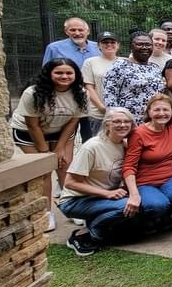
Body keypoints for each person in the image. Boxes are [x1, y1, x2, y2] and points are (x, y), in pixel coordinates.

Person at [11, 58, 89, 232]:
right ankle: (46, 212)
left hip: (61, 130)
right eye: (59, 72)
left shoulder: (81, 92)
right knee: (44, 171)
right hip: (30, 133)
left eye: (69, 73)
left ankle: (72, 207)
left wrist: (60, 148)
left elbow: (73, 121)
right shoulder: (32, 93)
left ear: (76, 75)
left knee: (65, 166)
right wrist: (45, 152)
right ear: (49, 73)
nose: (64, 76)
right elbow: (32, 125)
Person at [58, 108, 135, 256]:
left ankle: (97, 225)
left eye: (127, 122)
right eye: (117, 121)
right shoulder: (92, 147)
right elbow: (70, 183)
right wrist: (107, 193)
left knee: (138, 203)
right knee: (127, 206)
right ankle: (86, 234)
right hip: (75, 200)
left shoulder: (124, 145)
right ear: (106, 125)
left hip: (99, 197)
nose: (122, 125)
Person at [122, 94, 172, 230]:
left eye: (166, 109)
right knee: (157, 204)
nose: (162, 113)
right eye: (157, 110)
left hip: (169, 177)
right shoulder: (138, 133)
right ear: (149, 112)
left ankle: (163, 217)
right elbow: (128, 166)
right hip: (145, 182)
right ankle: (147, 219)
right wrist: (134, 194)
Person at [103, 32, 167, 122]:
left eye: (148, 45)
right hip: (128, 122)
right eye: (139, 44)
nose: (144, 47)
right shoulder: (120, 66)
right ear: (131, 47)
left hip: (152, 121)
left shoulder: (155, 68)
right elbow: (110, 96)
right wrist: (116, 119)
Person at [81, 31, 121, 141]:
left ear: (118, 45)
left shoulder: (125, 62)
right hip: (98, 113)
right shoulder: (90, 62)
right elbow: (89, 87)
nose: (109, 45)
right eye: (105, 42)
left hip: (121, 113)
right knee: (97, 143)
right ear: (98, 46)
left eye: (112, 42)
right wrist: (102, 108)